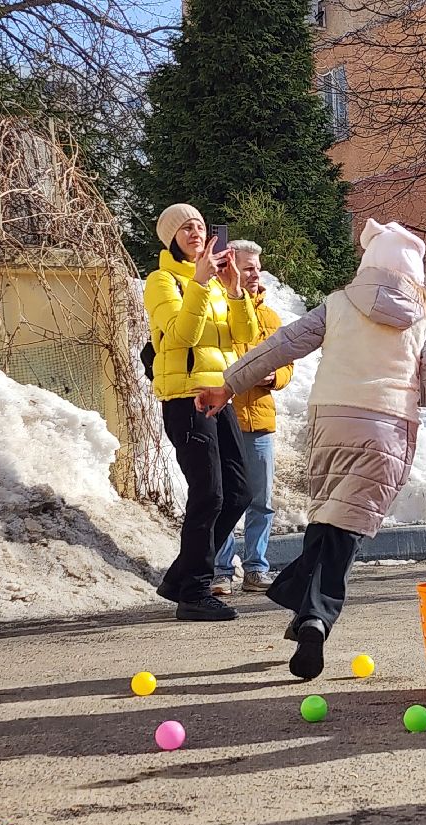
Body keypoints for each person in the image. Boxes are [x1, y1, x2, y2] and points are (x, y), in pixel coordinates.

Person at [196, 221, 426, 679]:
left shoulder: (338, 304)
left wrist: (228, 383)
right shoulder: (421, 321)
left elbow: (283, 344)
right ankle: (316, 617)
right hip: (386, 428)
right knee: (345, 532)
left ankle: (300, 606)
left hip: (331, 422)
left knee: (329, 521)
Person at [144, 203, 258, 621]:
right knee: (208, 492)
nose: (195, 232)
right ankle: (193, 590)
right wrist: (199, 281)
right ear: (171, 238)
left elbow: (245, 336)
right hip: (184, 399)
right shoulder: (161, 281)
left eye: (199, 226)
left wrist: (232, 289)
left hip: (217, 396)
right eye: (185, 228)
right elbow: (179, 336)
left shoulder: (212, 284)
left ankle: (180, 577)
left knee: (240, 491)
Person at [213, 240, 290, 596]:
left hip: (259, 419)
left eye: (257, 267)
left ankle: (256, 569)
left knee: (262, 500)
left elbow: (287, 365)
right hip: (223, 418)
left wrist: (274, 377)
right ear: (230, 270)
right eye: (247, 267)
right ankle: (221, 571)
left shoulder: (270, 317)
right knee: (225, 498)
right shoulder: (219, 309)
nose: (255, 273)